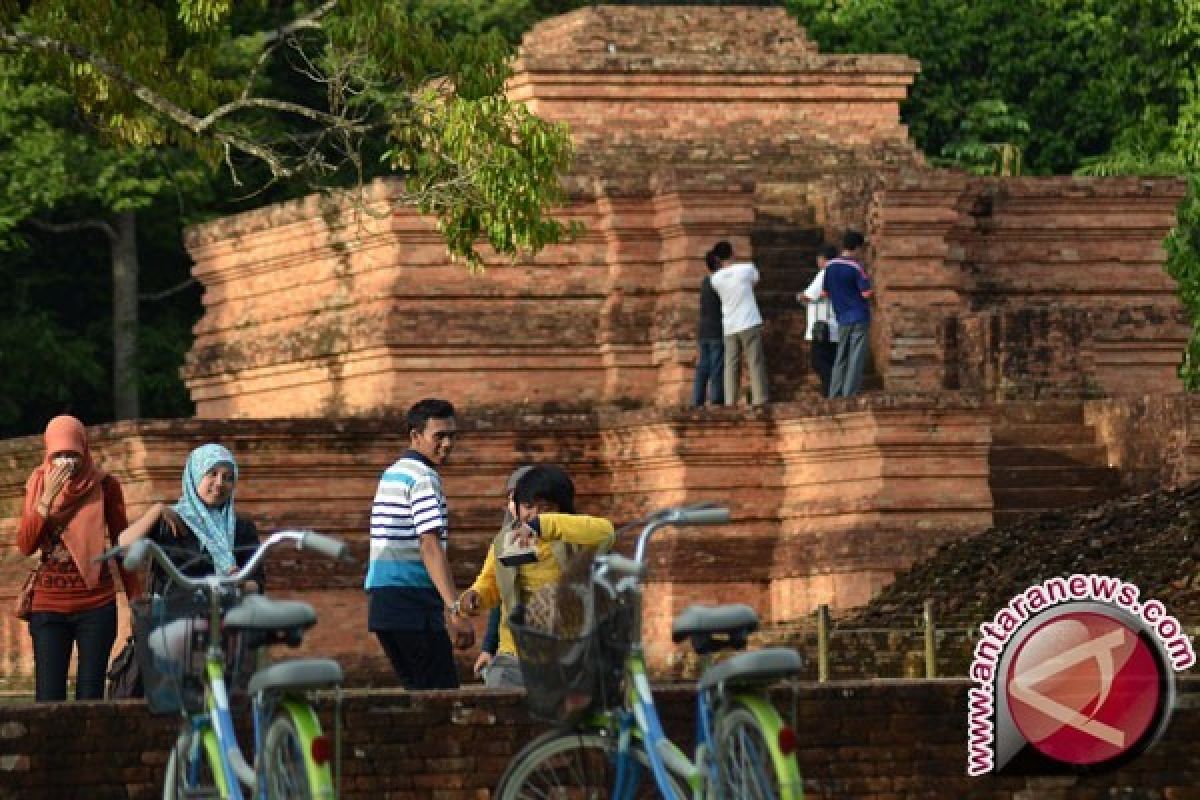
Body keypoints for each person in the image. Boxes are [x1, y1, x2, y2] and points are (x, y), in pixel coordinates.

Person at [118, 444, 264, 695]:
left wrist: (237, 581)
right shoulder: (169, 521)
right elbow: (124, 547)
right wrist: (156, 511)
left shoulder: (241, 528)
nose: (220, 483)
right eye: (212, 474)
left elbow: (257, 585)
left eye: (228, 477)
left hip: (223, 632)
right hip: (171, 631)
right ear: (195, 474)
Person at [16, 415, 139, 702]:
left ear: (84, 451)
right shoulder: (37, 483)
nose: (66, 463)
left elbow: (122, 545)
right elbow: (25, 545)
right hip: (48, 604)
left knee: (91, 695)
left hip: (96, 603)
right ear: (48, 455)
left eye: (72, 455)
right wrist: (46, 500)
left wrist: (136, 599)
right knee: (48, 697)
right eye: (58, 456)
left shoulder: (105, 485)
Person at [459, 464, 615, 689]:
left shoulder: (576, 536)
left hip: (569, 653)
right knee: (502, 696)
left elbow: (607, 533)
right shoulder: (505, 542)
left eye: (545, 507)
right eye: (528, 507)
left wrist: (543, 524)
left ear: (561, 508)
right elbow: (490, 584)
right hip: (514, 655)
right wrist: (474, 598)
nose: (533, 514)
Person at [365, 398, 474, 689]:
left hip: (385, 603)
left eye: (452, 436)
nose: (448, 444)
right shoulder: (424, 477)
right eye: (439, 436)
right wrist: (456, 610)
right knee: (442, 698)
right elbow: (429, 546)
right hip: (411, 603)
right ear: (416, 436)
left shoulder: (394, 473)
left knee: (419, 696)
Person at [709, 240, 769, 406]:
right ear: (733, 254)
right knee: (754, 361)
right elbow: (755, 281)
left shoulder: (715, 279)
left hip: (730, 325)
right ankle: (760, 398)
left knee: (731, 365)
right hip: (749, 321)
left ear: (717, 259)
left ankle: (730, 401)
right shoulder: (747, 269)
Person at [825, 230, 873, 398]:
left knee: (841, 356)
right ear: (857, 248)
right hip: (859, 315)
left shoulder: (829, 266)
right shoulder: (856, 267)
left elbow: (825, 292)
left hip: (842, 316)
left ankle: (834, 392)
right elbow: (866, 293)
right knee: (856, 356)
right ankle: (849, 393)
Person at [798, 244, 841, 397]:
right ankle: (833, 391)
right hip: (835, 326)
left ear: (822, 259)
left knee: (819, 362)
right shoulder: (840, 273)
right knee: (831, 361)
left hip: (823, 327)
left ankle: (832, 392)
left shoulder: (825, 273)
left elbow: (809, 296)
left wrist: (799, 296)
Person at [692, 249, 725, 406]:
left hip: (704, 330)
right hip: (716, 330)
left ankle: (697, 399)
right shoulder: (719, 283)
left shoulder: (705, 282)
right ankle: (716, 397)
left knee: (703, 367)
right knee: (716, 366)